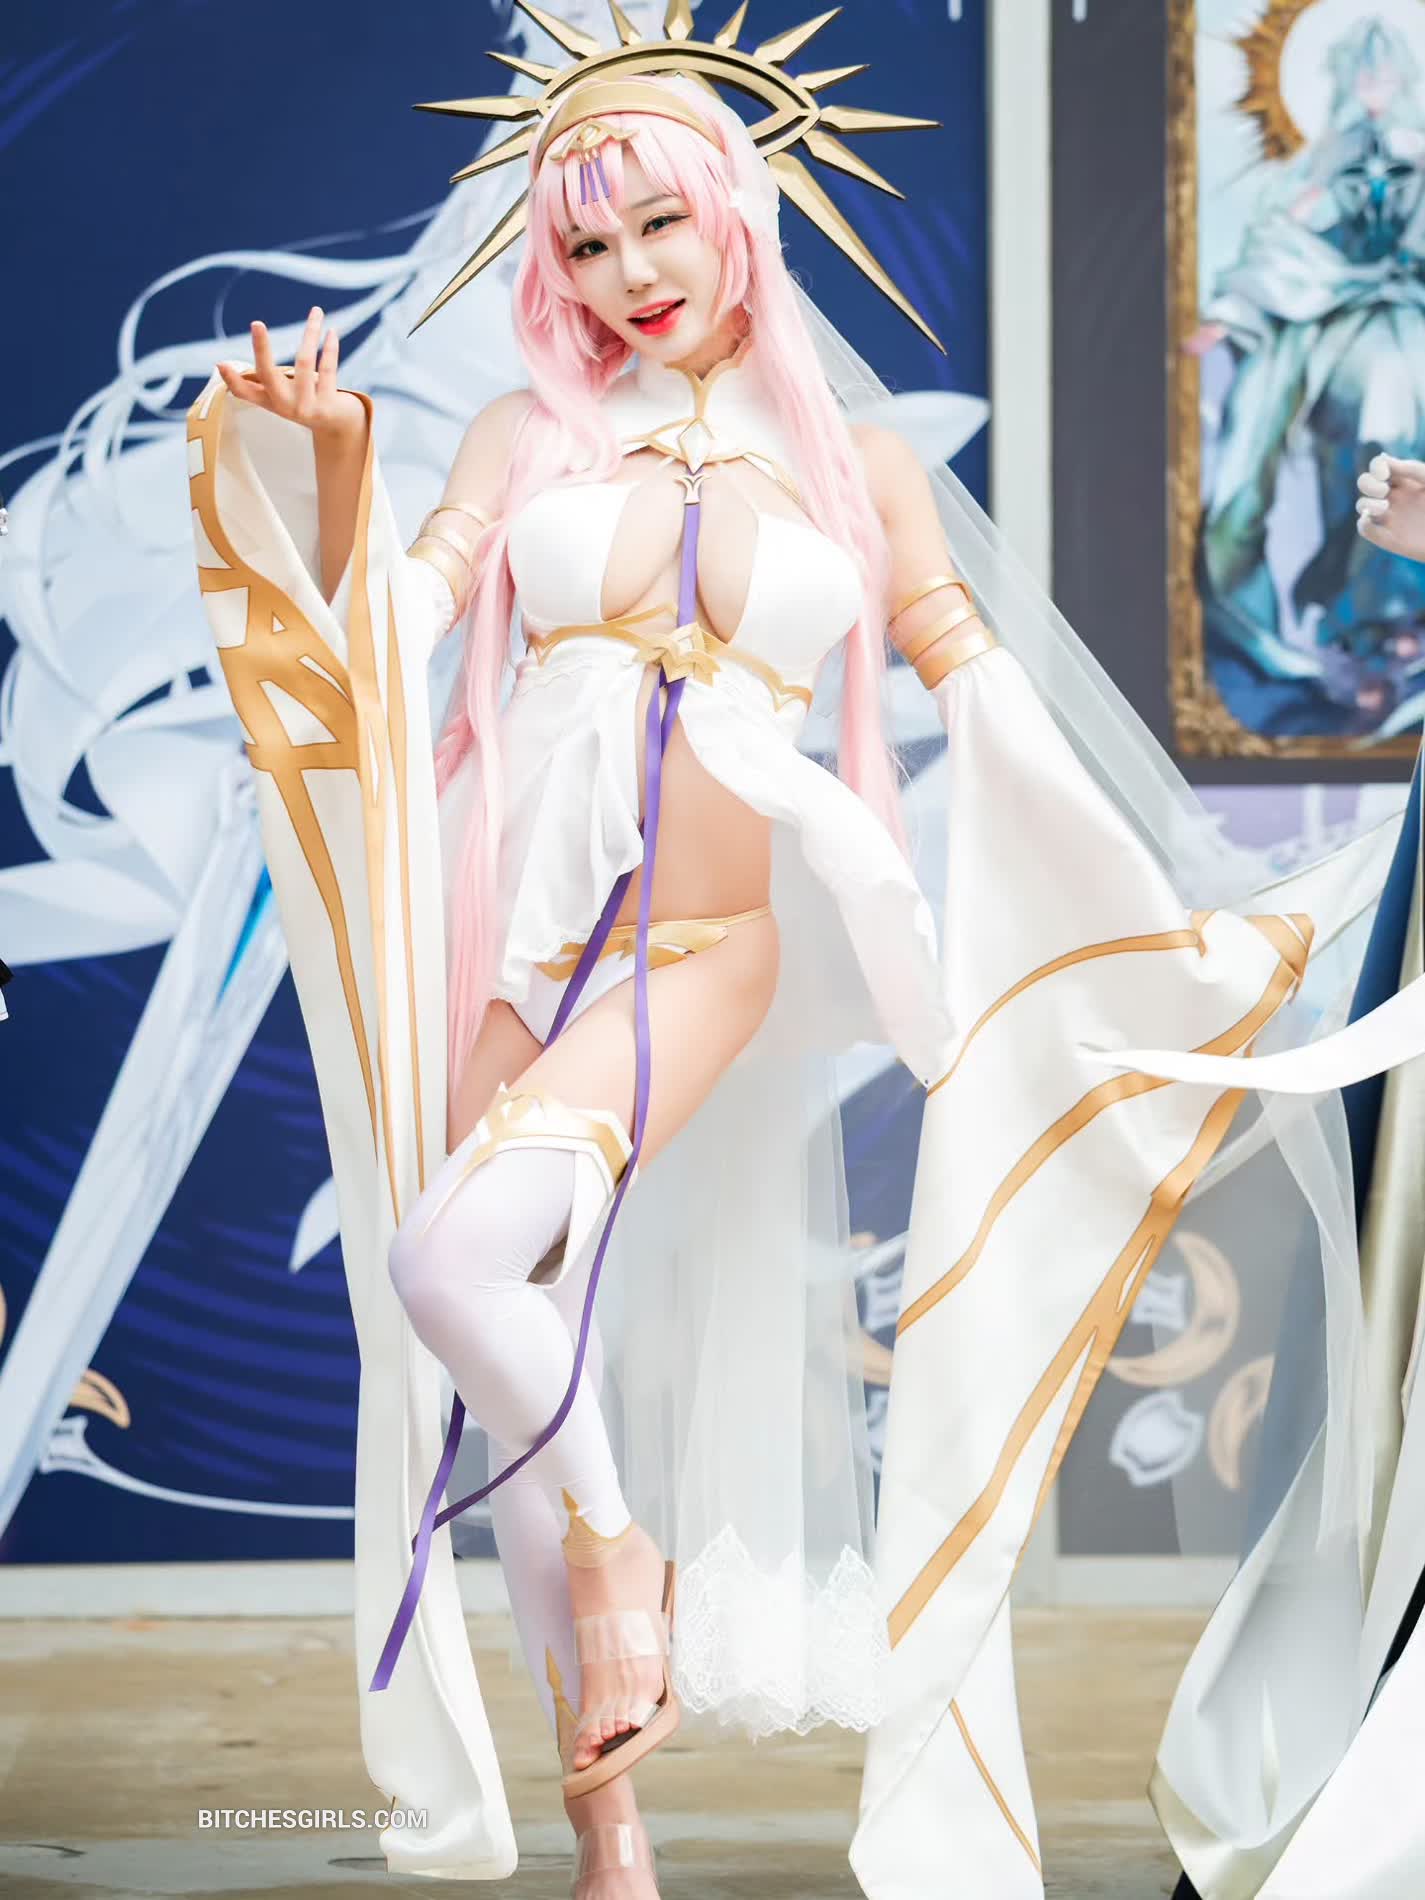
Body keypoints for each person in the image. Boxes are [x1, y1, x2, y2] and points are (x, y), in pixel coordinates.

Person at [186, 17, 1425, 1897]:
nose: (628, 272)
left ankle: (625, 1557)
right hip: (504, 947)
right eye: (585, 244)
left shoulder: (860, 464)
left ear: (735, 214)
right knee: (510, 1344)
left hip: (704, 947)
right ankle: (610, 1838)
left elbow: (982, 698)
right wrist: (328, 482)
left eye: (657, 224)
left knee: (456, 1262)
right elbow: (386, 640)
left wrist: (1149, 900)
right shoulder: (528, 436)